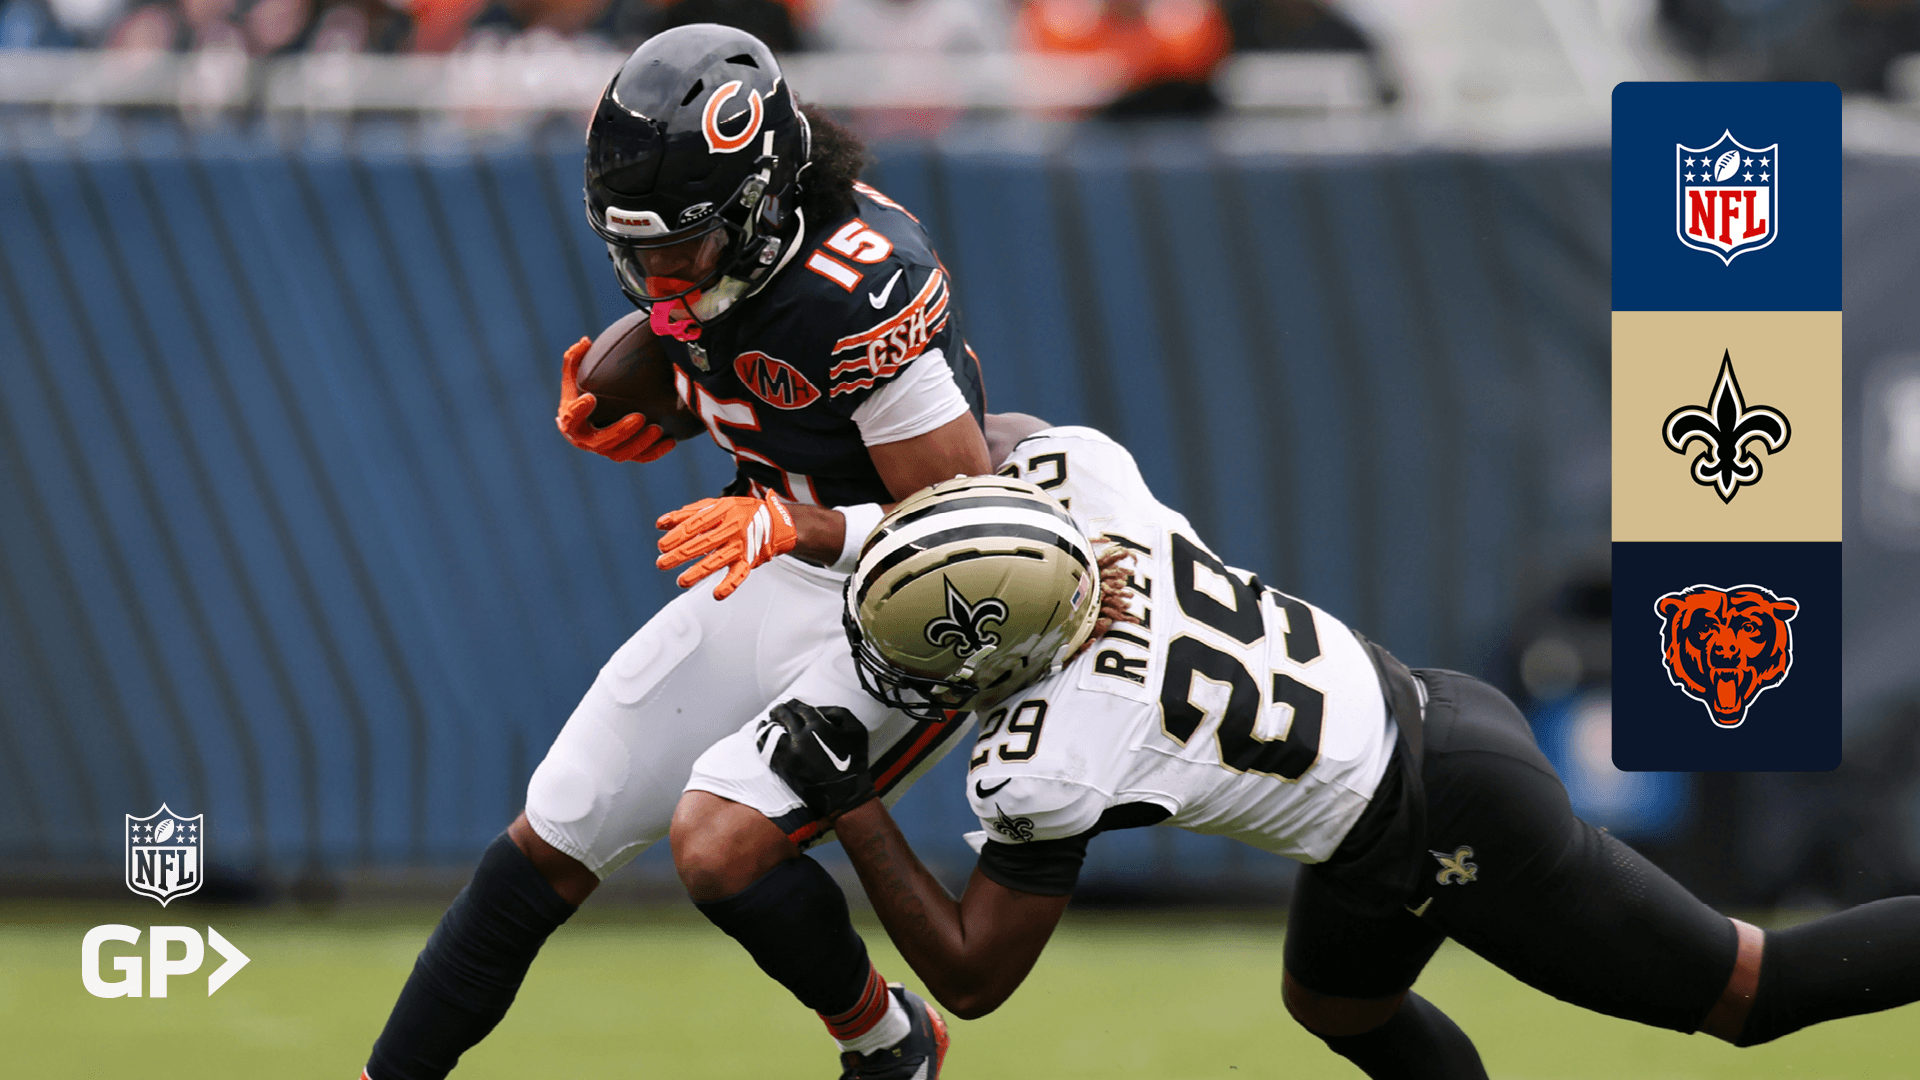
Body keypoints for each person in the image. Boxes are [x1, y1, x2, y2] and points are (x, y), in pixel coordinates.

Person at [745, 418, 1920, 1078]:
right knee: (1339, 1006)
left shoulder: (1049, 755)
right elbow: (992, 435)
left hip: (1444, 814)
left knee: (1749, 994)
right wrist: (929, 516)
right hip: (1415, 733)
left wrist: (854, 804)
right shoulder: (1082, 487)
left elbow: (971, 980)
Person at [360, 23, 991, 1080]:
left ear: (761, 203)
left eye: (678, 250)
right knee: (553, 832)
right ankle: (894, 1046)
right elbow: (736, 360)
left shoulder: (858, 286)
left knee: (718, 844)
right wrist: (672, 404)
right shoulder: (718, 259)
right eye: (635, 252)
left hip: (911, 604)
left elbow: (967, 530)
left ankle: (886, 1043)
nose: (656, 280)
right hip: (779, 566)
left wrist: (796, 522)